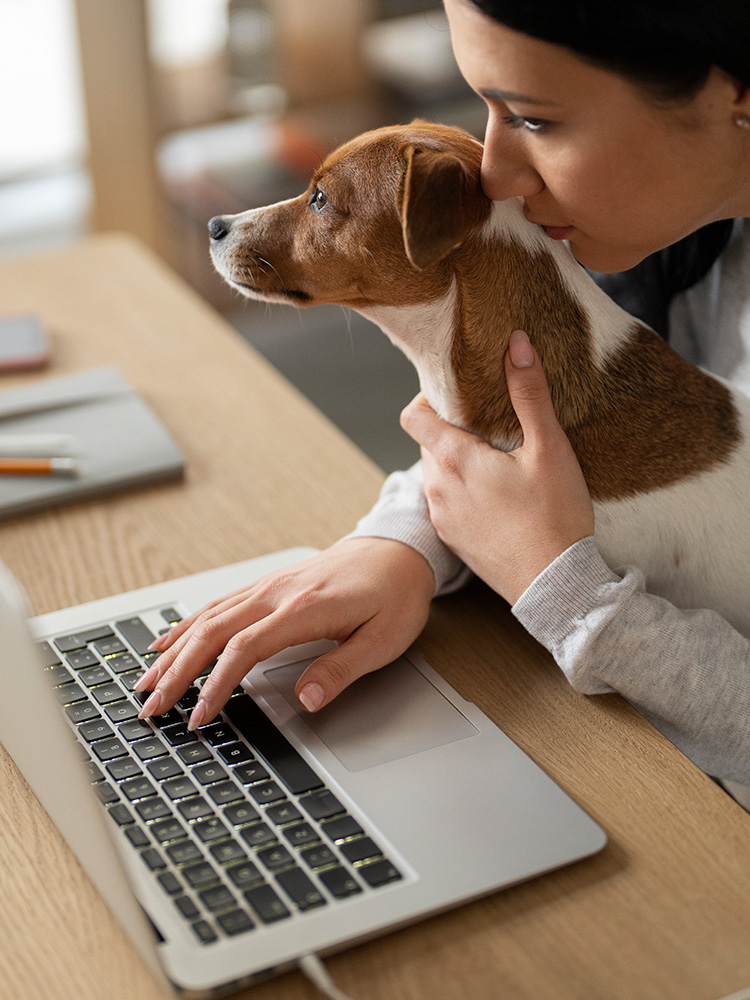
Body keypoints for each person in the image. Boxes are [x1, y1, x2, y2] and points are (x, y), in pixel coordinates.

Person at [138, 0, 750, 797]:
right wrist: (402, 543)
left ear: (729, 93)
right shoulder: (663, 242)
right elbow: (561, 438)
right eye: (485, 109)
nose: (489, 172)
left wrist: (559, 585)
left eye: (533, 117)